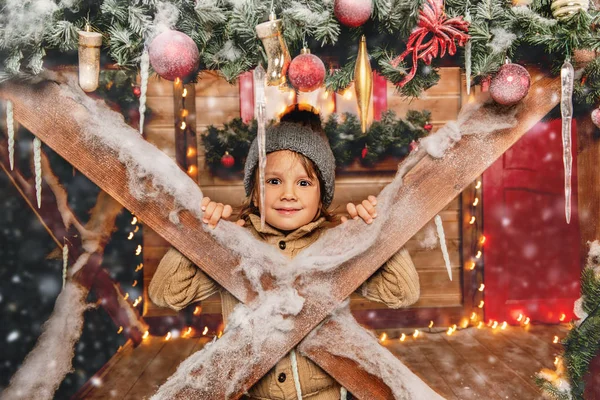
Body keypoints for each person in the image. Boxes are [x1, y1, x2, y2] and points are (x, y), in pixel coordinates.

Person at [149, 104, 420, 400]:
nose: (288, 193)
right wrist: (199, 236)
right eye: (273, 181)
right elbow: (166, 293)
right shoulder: (234, 245)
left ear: (323, 196)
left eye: (304, 183)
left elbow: (402, 292)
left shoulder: (336, 245)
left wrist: (376, 233)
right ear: (254, 190)